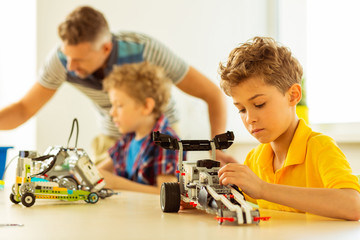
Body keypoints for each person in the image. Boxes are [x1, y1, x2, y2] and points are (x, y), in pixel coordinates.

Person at [0, 6, 235, 165]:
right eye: (67, 56)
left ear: (105, 48)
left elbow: (211, 93)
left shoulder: (146, 50)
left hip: (160, 138)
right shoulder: (62, 61)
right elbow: (23, 109)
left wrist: (219, 150)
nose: (70, 67)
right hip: (114, 137)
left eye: (79, 59)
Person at [217, 36, 360, 220]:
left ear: (293, 95)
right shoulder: (255, 159)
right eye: (241, 110)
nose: (250, 118)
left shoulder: (320, 148)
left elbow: (353, 205)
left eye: (259, 104)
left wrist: (263, 188)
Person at [98, 61, 182, 194]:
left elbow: (167, 193)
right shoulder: (128, 139)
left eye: (119, 105)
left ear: (146, 106)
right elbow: (97, 172)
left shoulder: (167, 142)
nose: (112, 112)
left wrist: (115, 183)